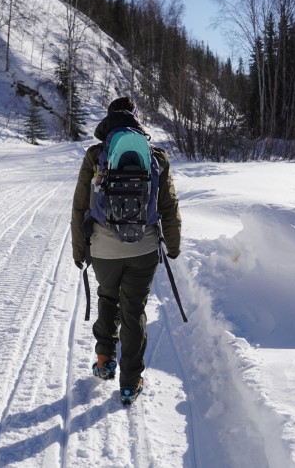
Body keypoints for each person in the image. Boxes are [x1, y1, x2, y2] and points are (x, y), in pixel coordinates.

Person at [71, 96, 181, 402]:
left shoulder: (95, 155)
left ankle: (105, 361)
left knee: (108, 296)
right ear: (136, 119)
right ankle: (130, 383)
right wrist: (172, 245)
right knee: (133, 311)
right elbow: (169, 206)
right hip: (143, 249)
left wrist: (80, 252)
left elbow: (80, 207)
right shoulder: (155, 155)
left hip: (103, 249)